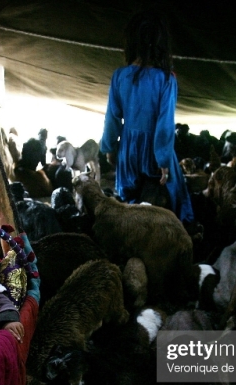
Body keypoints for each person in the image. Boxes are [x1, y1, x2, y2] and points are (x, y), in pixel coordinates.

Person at [100, 10, 196, 226]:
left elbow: (112, 119)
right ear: (161, 44)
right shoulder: (166, 79)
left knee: (128, 203)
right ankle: (188, 233)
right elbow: (165, 123)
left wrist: (108, 148)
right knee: (176, 200)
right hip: (154, 151)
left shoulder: (119, 76)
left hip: (129, 151)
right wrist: (163, 160)